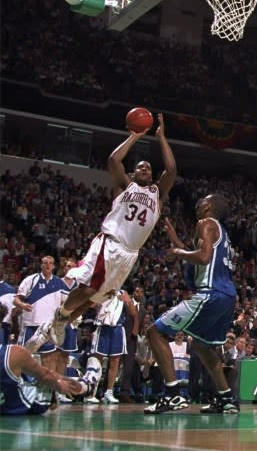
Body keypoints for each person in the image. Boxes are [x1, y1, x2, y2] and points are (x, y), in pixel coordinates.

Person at [29, 116, 176, 351]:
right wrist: (135, 136)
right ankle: (60, 316)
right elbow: (113, 160)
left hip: (130, 254)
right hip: (111, 243)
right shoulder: (124, 185)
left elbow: (172, 169)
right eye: (140, 166)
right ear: (133, 172)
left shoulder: (157, 194)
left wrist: (161, 138)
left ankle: (58, 323)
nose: (145, 168)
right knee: (88, 288)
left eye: (148, 168)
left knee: (96, 297)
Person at [144, 194, 238, 415]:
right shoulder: (222, 233)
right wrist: (177, 241)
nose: (197, 204)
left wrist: (177, 251)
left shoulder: (205, 223)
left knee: (154, 332)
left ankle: (172, 394)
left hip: (211, 293)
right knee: (201, 346)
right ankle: (226, 399)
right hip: (227, 297)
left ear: (211, 207)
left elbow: (203, 258)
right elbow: (200, 258)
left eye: (202, 201)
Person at [0, 304, 86, 415]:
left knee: (30, 370)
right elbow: (44, 375)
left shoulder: (13, 352)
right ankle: (85, 387)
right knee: (43, 379)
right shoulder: (13, 353)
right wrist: (59, 386)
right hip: (17, 407)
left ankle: (83, 386)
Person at [14, 256, 68, 386]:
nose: (48, 265)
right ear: (41, 265)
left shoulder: (60, 283)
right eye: (45, 263)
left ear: (54, 266)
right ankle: (20, 385)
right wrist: (23, 305)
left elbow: (66, 302)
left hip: (49, 327)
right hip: (30, 325)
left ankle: (46, 388)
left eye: (50, 263)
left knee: (49, 358)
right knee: (23, 357)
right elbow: (16, 299)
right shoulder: (31, 280)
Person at [83, 290, 136, 404]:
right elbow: (91, 306)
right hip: (103, 327)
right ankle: (91, 392)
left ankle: (109, 392)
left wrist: (129, 301)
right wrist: (101, 297)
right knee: (97, 360)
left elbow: (133, 313)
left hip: (117, 329)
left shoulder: (123, 293)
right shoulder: (104, 289)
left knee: (115, 362)